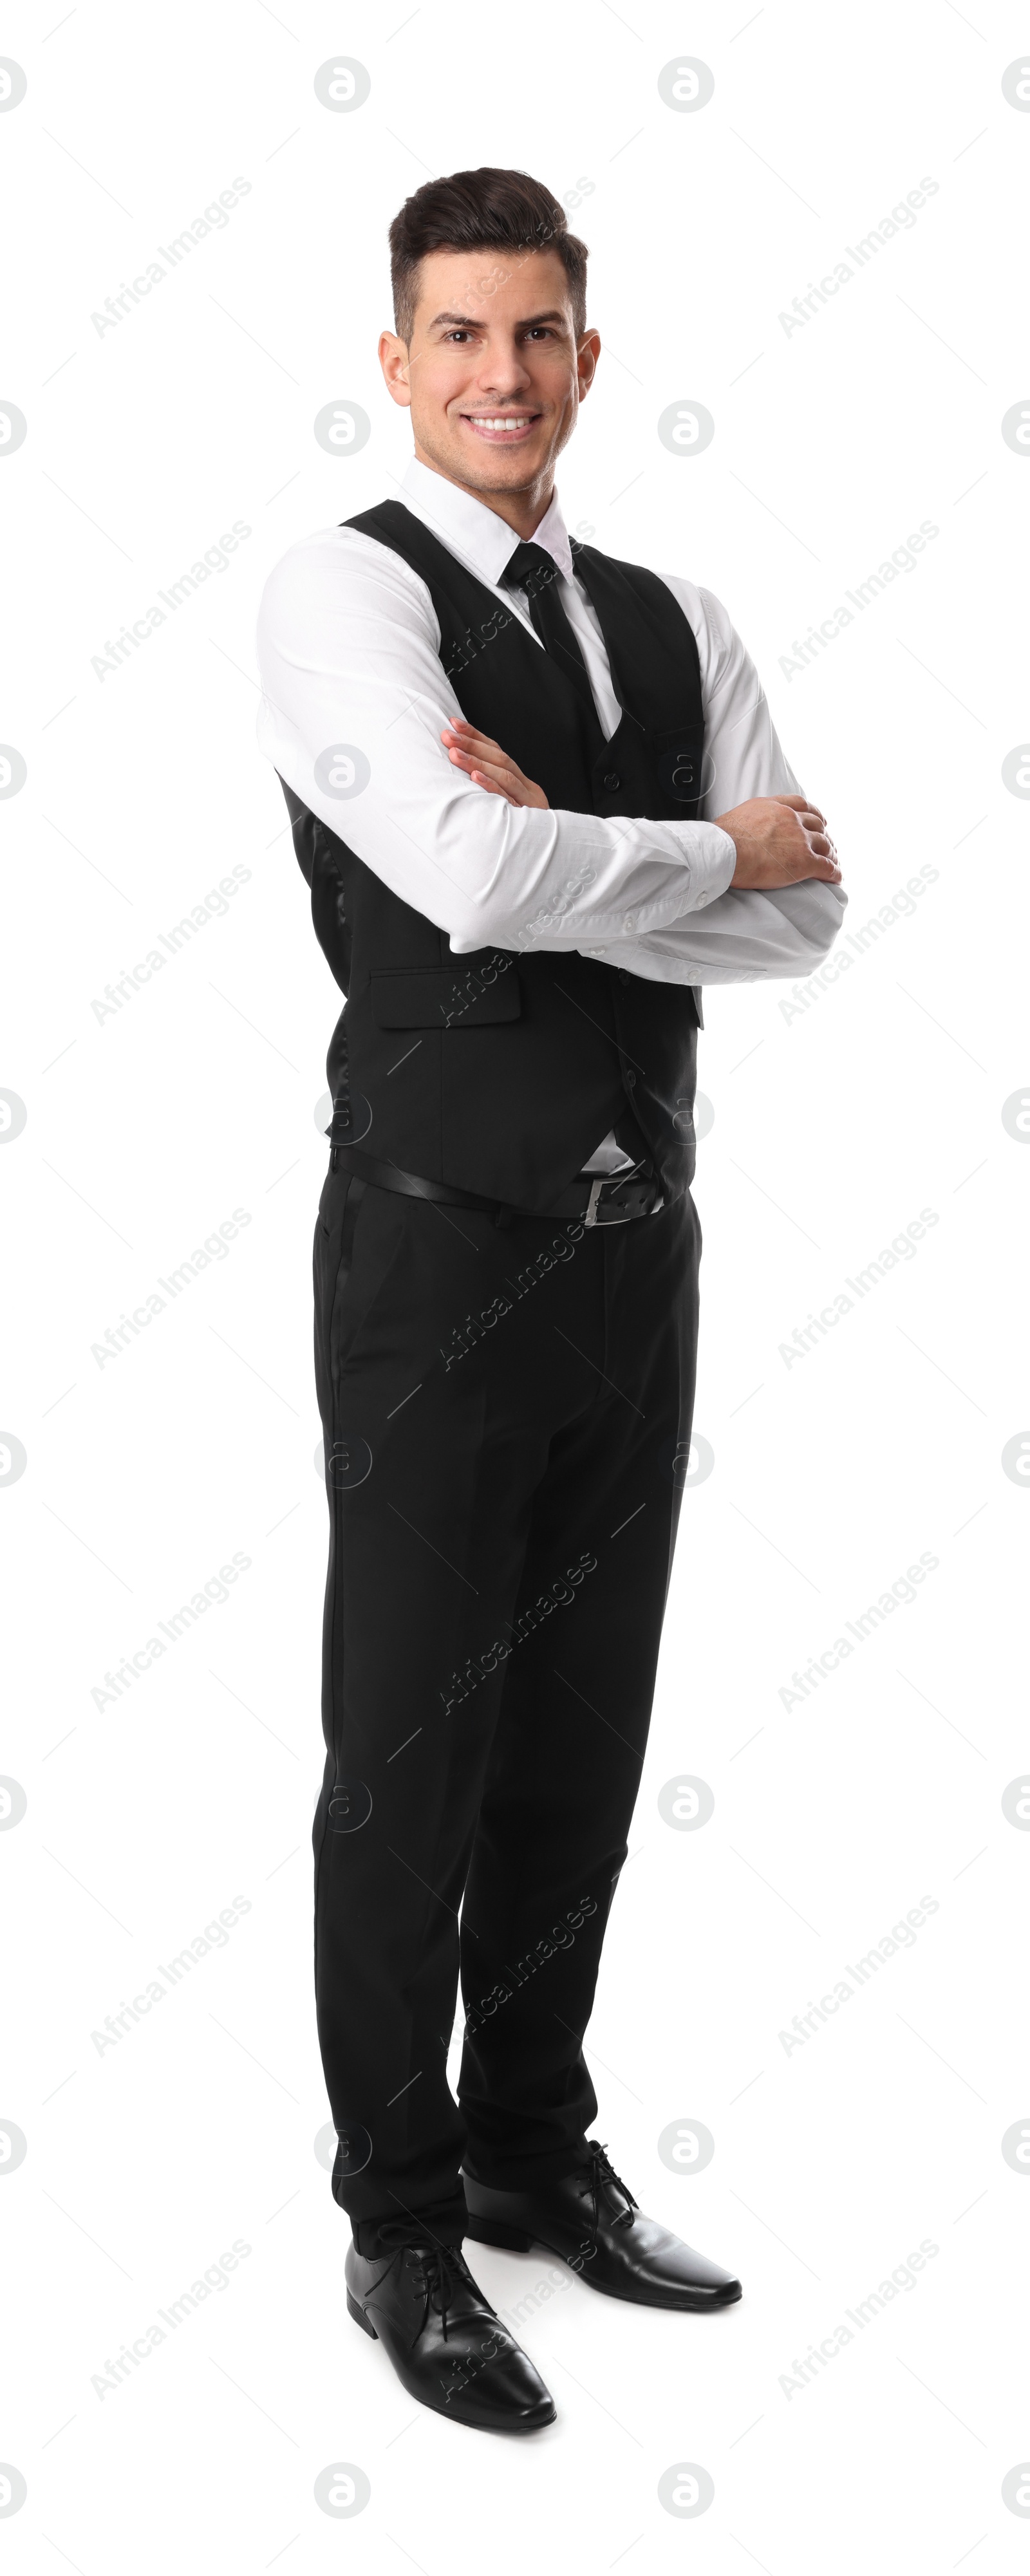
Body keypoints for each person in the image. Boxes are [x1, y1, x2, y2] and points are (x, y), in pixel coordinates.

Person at [256, 165, 845, 2436]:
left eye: (541, 335)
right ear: (397, 365)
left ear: (590, 357)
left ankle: (528, 2149)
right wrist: (698, 855)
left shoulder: (677, 619)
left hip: (638, 1254)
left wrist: (596, 867)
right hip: (430, 1255)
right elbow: (467, 864)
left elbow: (811, 920)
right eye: (461, 337)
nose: (503, 374)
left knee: (583, 1740)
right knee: (409, 1749)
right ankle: (398, 2222)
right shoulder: (343, 596)